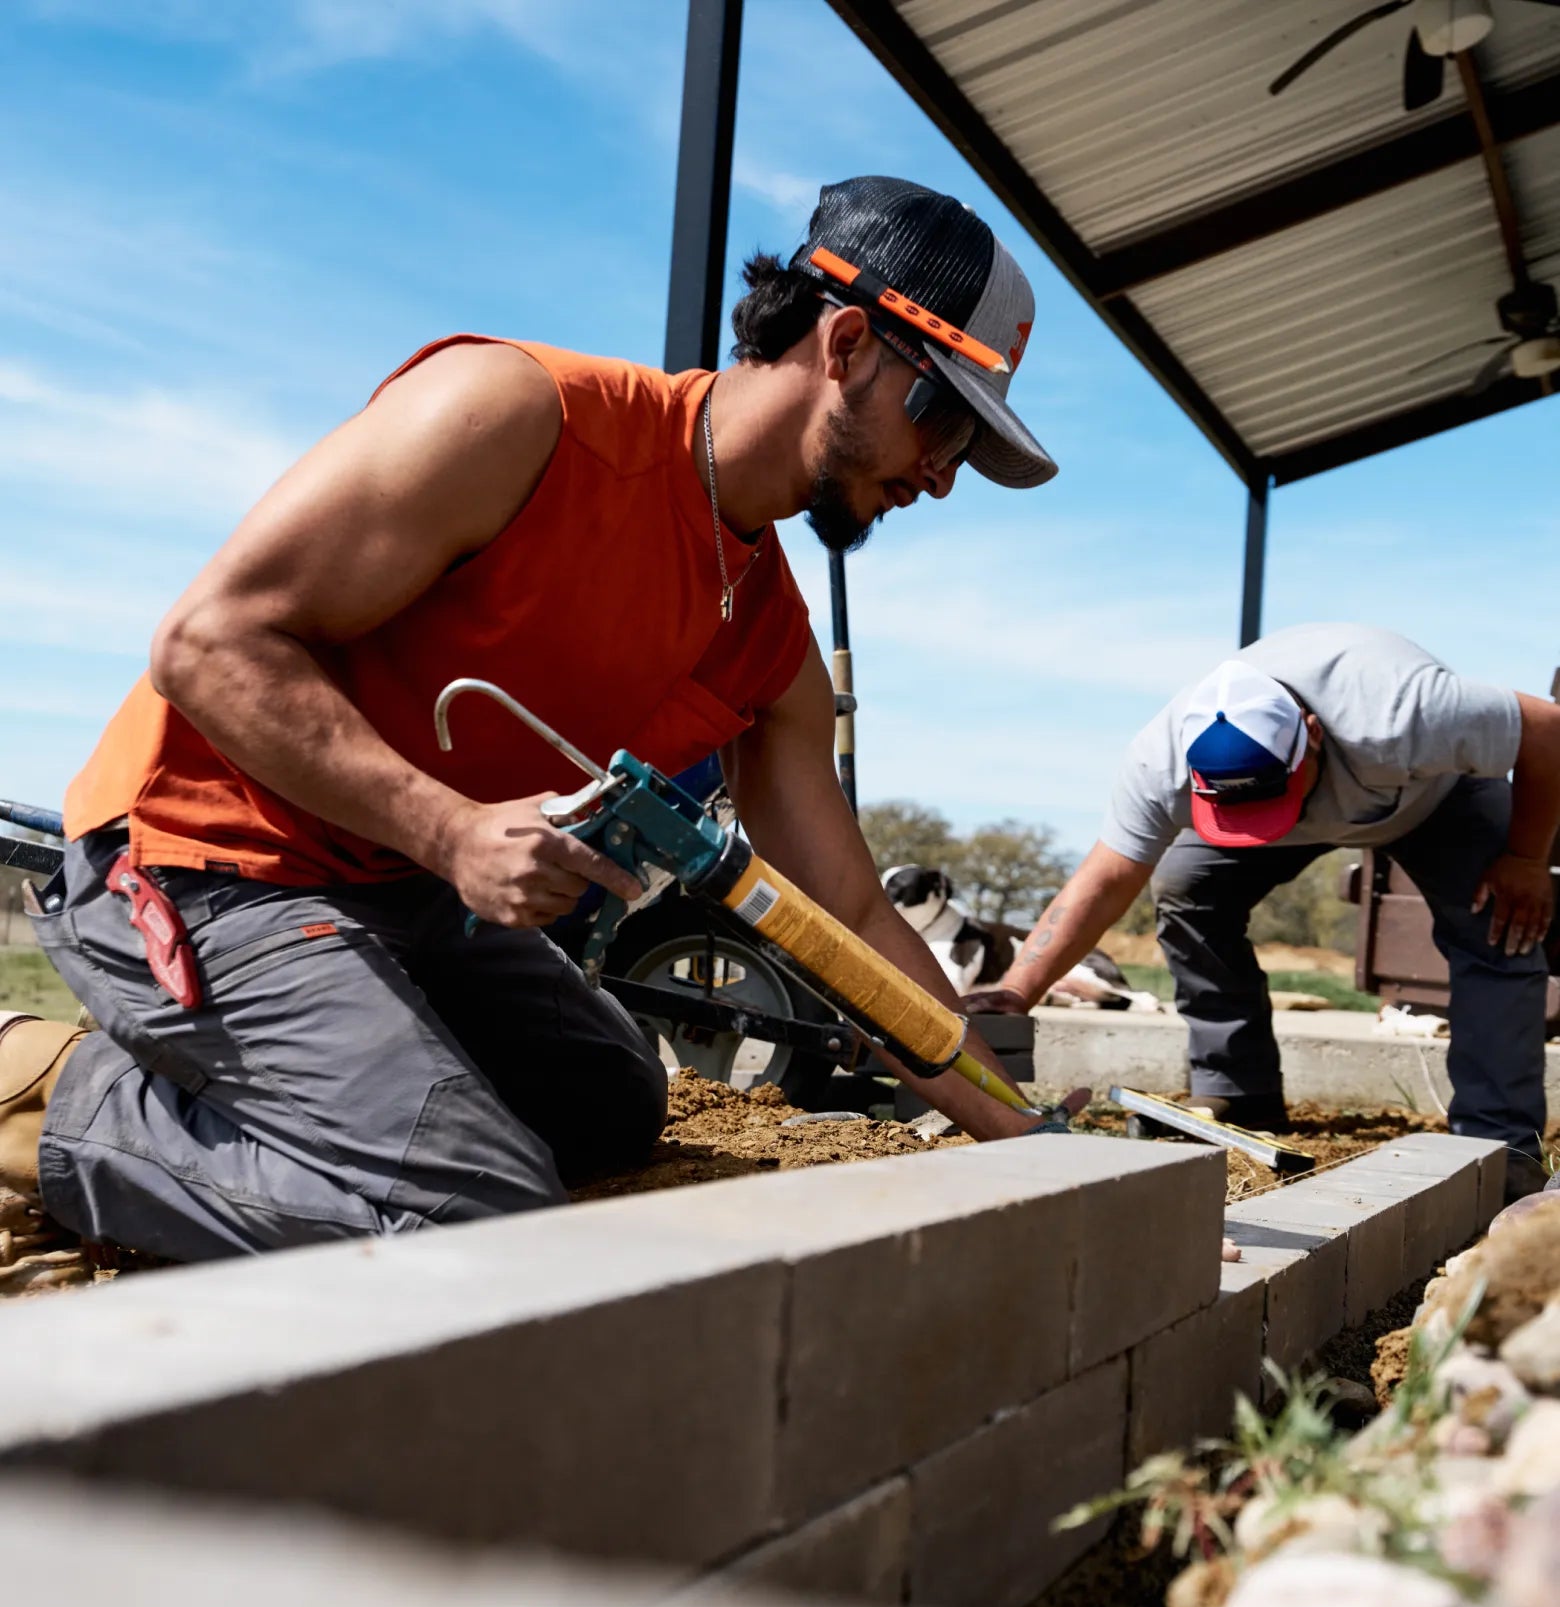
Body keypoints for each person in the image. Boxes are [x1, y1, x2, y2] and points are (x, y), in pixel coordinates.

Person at [0, 176, 1058, 1290]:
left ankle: (272, 1122)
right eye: (940, 416)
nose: (942, 477)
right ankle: (44, 1099)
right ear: (846, 343)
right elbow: (207, 643)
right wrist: (453, 835)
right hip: (201, 857)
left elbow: (844, 914)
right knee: (482, 1215)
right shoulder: (518, 419)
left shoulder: (769, 640)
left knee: (608, 1101)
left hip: (389, 887)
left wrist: (1021, 1134)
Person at [964, 624, 1560, 1203]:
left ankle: (1499, 1144)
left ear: (1312, 735)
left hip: (1434, 798)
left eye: (1271, 800)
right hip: (1280, 790)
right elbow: (1105, 880)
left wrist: (1527, 860)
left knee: (1500, 922)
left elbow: (1547, 731)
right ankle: (1237, 1089)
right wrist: (1016, 991)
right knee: (1185, 883)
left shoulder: (1400, 712)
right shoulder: (1161, 758)